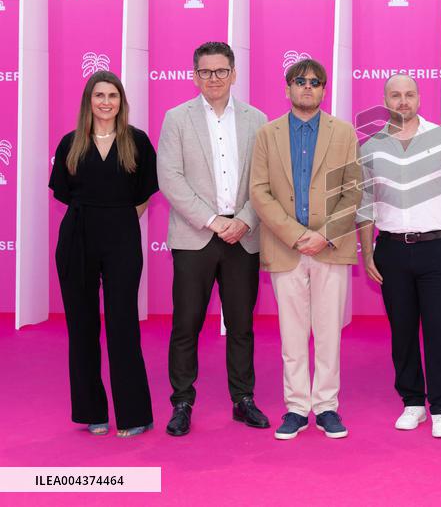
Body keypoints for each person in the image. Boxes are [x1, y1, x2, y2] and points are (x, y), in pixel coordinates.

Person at [158, 41, 269, 437]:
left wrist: (243, 220)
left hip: (244, 235)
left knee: (241, 324)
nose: (214, 79)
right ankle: (182, 401)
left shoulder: (257, 120)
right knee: (186, 324)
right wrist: (212, 220)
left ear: (234, 74)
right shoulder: (177, 118)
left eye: (221, 71)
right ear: (194, 75)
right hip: (195, 236)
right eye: (205, 72)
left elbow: (266, 181)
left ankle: (243, 399)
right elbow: (169, 177)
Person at [250, 59, 361, 440]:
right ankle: (297, 407)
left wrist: (324, 235)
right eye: (300, 81)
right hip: (287, 248)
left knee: (328, 332)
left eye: (315, 82)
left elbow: (353, 192)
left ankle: (327, 406)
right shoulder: (267, 134)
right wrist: (296, 236)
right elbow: (259, 191)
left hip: (330, 247)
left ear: (324, 89)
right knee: (292, 335)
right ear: (288, 88)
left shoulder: (344, 132)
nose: (307, 87)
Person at [357, 74, 441, 439]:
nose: (402, 101)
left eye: (409, 94)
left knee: (440, 330)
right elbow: (366, 204)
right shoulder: (371, 147)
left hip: (438, 247)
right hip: (390, 249)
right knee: (402, 331)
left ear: (419, 98)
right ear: (385, 99)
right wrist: (367, 250)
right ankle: (413, 403)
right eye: (395, 95)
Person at [49, 71, 158, 437]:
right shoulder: (70, 144)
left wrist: (119, 220)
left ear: (121, 101)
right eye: (99, 95)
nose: (106, 102)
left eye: (112, 95)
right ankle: (92, 411)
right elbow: (63, 193)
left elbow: (144, 193)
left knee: (122, 325)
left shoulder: (137, 142)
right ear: (89, 101)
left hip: (122, 238)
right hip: (77, 237)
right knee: (81, 327)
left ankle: (134, 414)